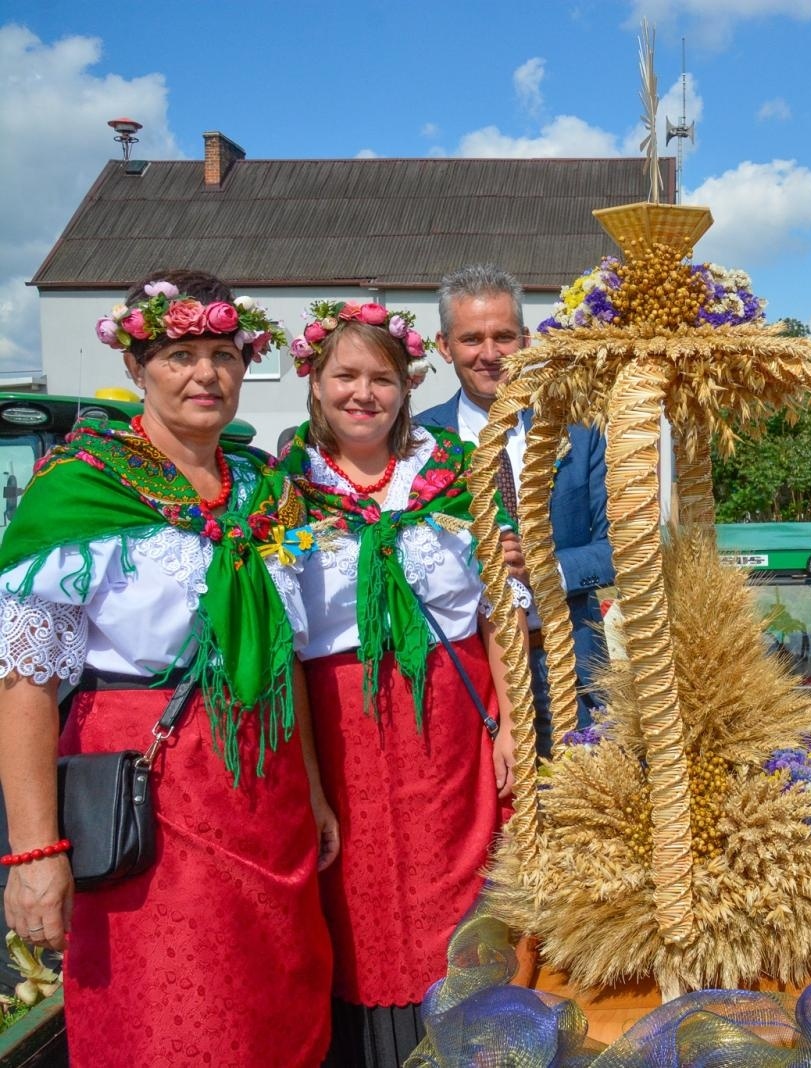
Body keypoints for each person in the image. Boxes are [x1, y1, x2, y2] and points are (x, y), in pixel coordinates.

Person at [0, 271, 334, 1066]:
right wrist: (35, 854)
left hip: (268, 790)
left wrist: (314, 790)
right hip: (155, 799)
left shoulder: (267, 491)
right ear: (138, 368)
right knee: (174, 1018)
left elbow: (284, 659)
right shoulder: (79, 493)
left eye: (223, 353)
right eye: (179, 354)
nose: (205, 375)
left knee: (277, 1007)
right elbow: (24, 687)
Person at [280, 299, 526, 1067]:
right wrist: (310, 782)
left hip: (453, 723)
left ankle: (477, 1040)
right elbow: (282, 645)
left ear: (407, 383)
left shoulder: (456, 475)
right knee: (355, 900)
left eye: (380, 378)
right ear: (314, 383)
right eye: (344, 376)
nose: (364, 394)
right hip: (338, 723)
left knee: (467, 891)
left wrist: (515, 724)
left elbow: (500, 612)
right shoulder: (285, 494)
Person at [415, 264, 613, 751]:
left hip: (568, 663)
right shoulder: (415, 440)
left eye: (503, 337)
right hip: (465, 669)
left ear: (525, 340)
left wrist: (547, 568)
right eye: (470, 339)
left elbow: (625, 544)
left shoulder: (579, 430)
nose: (488, 354)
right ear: (444, 346)